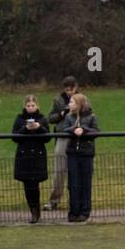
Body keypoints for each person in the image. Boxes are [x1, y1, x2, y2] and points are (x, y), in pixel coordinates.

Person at [62, 93, 99, 222]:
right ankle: (73, 211)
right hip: (72, 153)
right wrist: (74, 130)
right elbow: (63, 129)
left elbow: (96, 131)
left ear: (79, 104)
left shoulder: (91, 117)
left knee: (85, 183)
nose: (69, 104)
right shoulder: (68, 117)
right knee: (73, 183)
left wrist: (84, 130)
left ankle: (85, 211)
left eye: (72, 102)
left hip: (86, 153)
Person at [12, 94, 50, 222]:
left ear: (37, 106)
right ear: (25, 106)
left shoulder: (42, 119)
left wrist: (39, 128)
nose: (30, 107)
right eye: (28, 105)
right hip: (24, 156)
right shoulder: (19, 119)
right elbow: (14, 137)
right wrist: (25, 129)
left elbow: (47, 137)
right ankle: (32, 209)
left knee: (35, 185)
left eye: (33, 105)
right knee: (27, 185)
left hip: (37, 156)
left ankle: (36, 211)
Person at [46, 77, 78, 211]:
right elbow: (50, 118)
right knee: (59, 170)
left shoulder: (82, 99)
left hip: (77, 136)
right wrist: (61, 114)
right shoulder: (58, 100)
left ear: (76, 87)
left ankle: (76, 201)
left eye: (71, 90)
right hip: (62, 135)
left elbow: (89, 114)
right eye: (67, 90)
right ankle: (54, 200)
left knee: (76, 171)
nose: (69, 92)